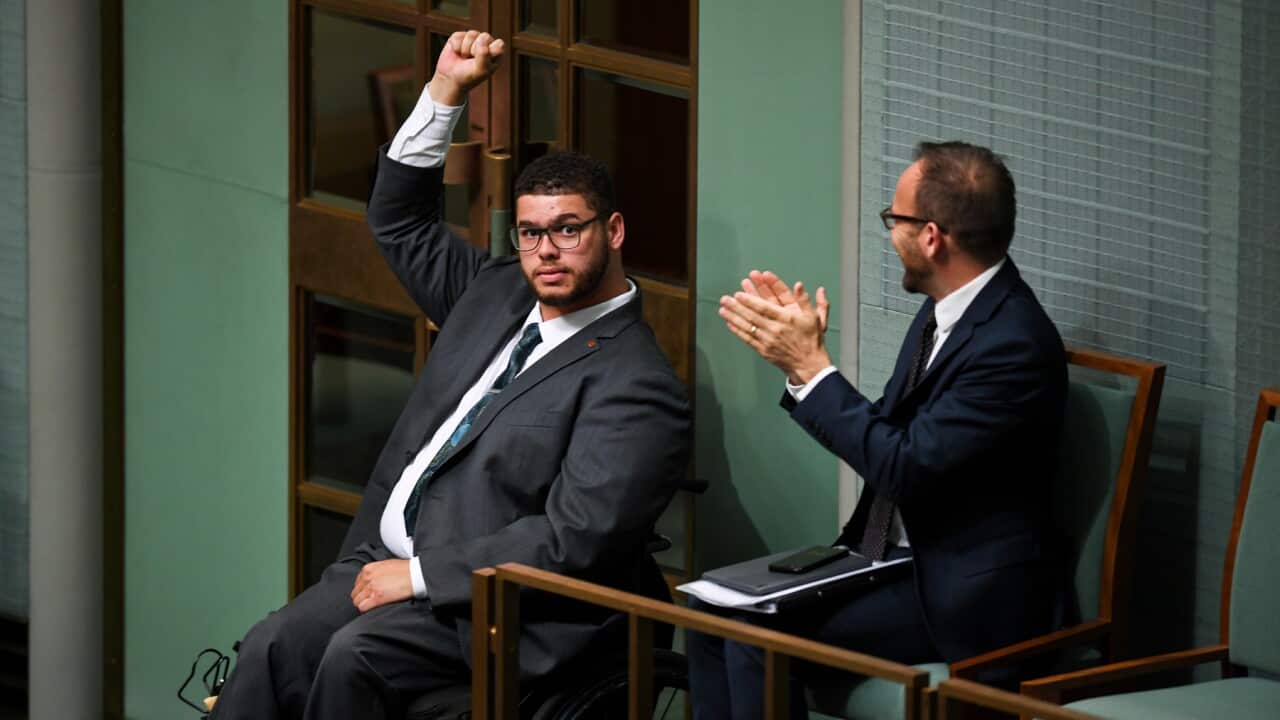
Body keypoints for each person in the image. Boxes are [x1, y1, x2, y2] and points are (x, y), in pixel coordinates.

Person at [210, 30, 691, 720]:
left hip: (488, 608)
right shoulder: (495, 292)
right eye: (530, 232)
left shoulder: (636, 383)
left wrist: (419, 576)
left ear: (612, 232)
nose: (545, 251)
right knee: (270, 646)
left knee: (351, 659)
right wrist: (444, 93)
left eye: (567, 229)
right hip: (381, 560)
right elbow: (399, 220)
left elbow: (572, 539)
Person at [688, 141, 1067, 719]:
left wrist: (813, 369)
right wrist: (802, 367)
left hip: (965, 597)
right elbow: (892, 434)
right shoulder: (947, 309)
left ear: (932, 237)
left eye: (895, 220)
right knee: (710, 618)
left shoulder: (1013, 345)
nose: (889, 234)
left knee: (756, 637)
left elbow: (904, 468)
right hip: (899, 562)